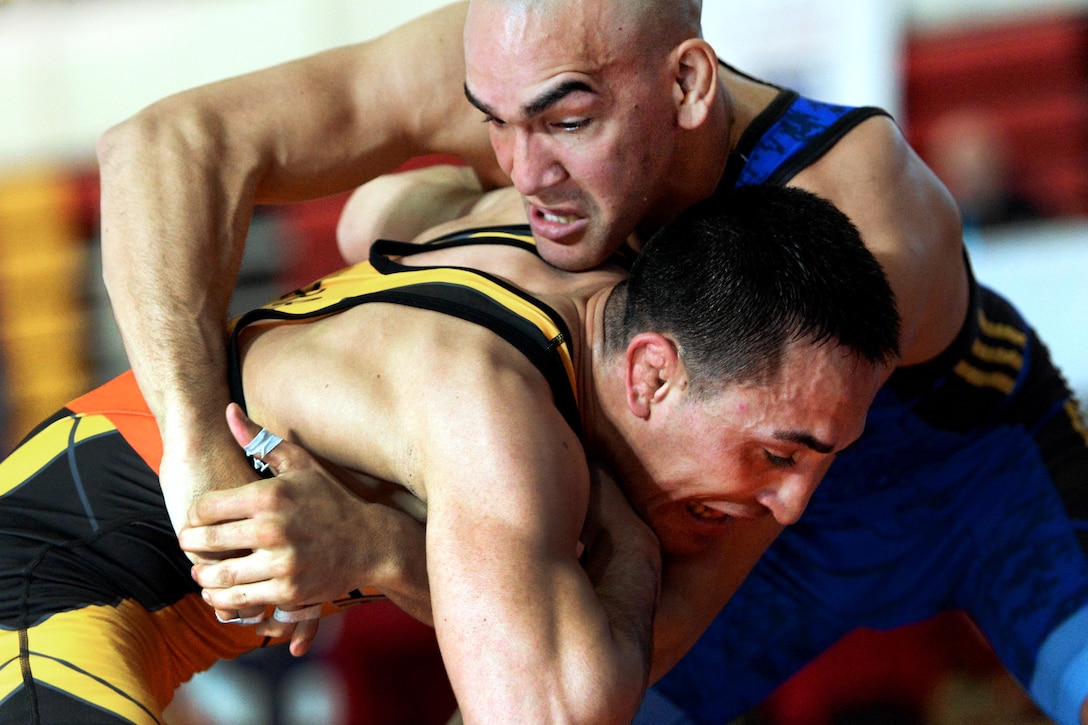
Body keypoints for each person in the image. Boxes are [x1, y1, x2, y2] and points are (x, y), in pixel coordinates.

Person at [95, 1, 1088, 723]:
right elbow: (169, 140)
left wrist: (380, 550)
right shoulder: (524, 70)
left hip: (971, 486)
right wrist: (193, 447)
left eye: (567, 123)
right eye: (492, 122)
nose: (524, 168)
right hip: (724, 530)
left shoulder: (856, 225)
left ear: (686, 85)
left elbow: (659, 614)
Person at [0, 184, 899, 724]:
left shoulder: (530, 232)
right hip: (36, 607)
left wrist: (387, 546)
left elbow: (375, 212)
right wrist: (623, 533)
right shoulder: (498, 419)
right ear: (653, 373)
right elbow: (559, 710)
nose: (790, 504)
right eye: (780, 452)